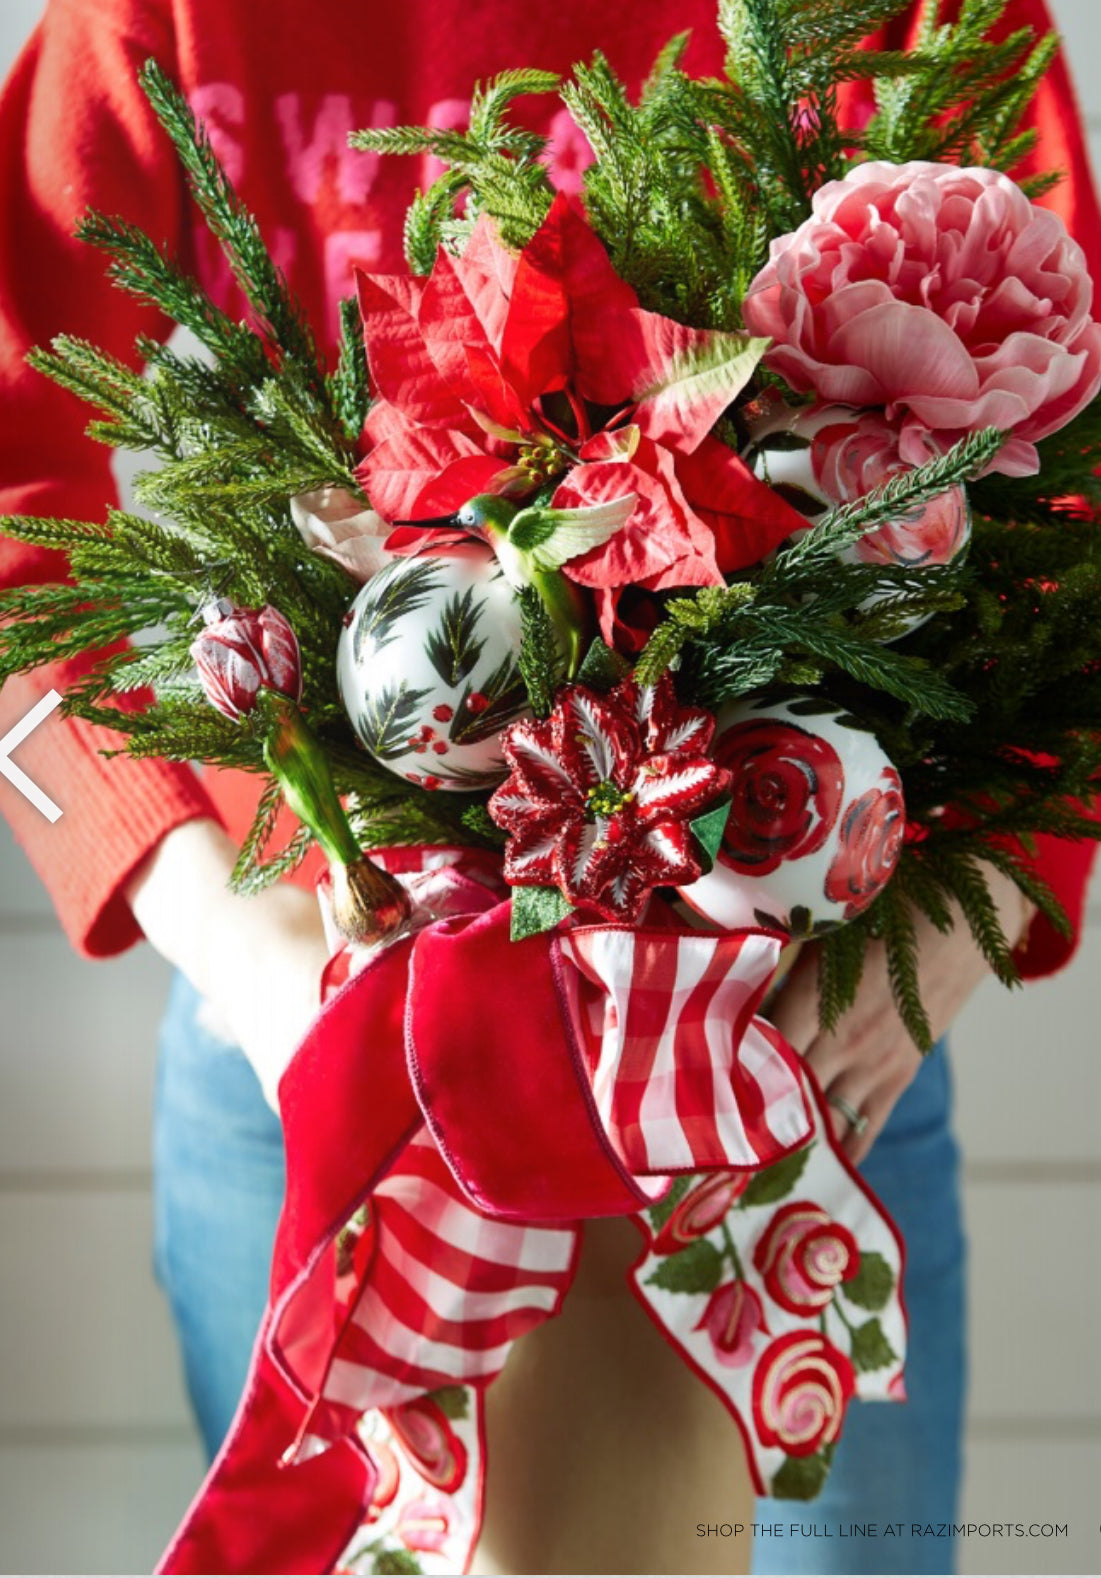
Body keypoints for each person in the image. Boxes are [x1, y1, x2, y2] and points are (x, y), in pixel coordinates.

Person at [0, 0, 1096, 1572]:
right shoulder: (155, 19)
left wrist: (966, 914)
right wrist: (233, 948)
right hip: (317, 1020)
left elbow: (1081, 480)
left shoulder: (932, 18)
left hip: (804, 1044)